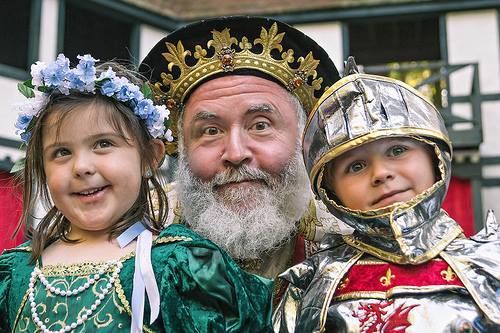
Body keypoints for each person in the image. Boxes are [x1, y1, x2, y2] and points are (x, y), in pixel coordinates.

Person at [0, 54, 273, 332]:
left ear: (149, 156)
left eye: (103, 143)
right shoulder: (16, 272)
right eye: (61, 152)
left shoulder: (180, 267)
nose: (81, 167)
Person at [273, 58, 500, 332]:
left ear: (434, 157)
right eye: (356, 166)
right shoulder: (312, 283)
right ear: (331, 190)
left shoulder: (491, 264)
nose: (380, 173)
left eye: (397, 150)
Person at [139, 16, 345, 300]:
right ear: (182, 147)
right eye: (210, 131)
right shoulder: (138, 235)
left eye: (260, 125)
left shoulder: (347, 238)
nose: (236, 154)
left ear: (303, 139)